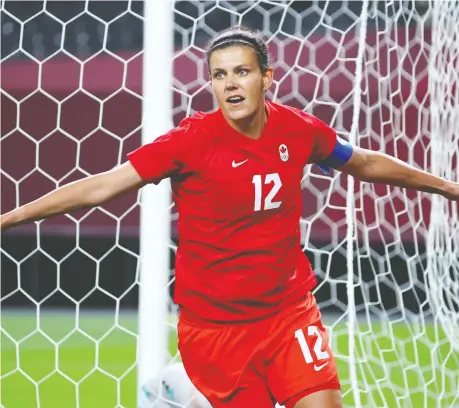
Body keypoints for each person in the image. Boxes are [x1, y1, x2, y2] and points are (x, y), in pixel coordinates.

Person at [1, 25, 458, 408]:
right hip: (215, 330)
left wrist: (447, 187)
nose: (230, 85)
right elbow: (100, 187)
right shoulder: (190, 141)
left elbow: (364, 162)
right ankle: (182, 388)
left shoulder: (298, 130)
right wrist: (10, 217)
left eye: (242, 71)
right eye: (219, 76)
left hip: (288, 314)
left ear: (267, 77)